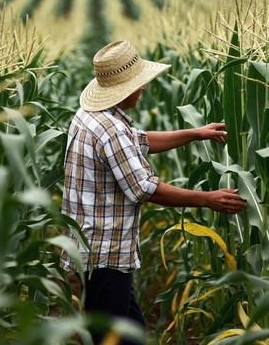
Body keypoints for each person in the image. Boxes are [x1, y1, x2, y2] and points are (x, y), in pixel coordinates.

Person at [60, 40, 247, 344]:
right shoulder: (109, 129)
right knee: (115, 337)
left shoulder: (94, 116)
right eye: (139, 83)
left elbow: (141, 140)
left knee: (129, 331)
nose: (144, 88)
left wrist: (196, 133)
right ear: (122, 90)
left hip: (92, 252)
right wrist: (208, 200)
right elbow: (145, 189)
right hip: (104, 256)